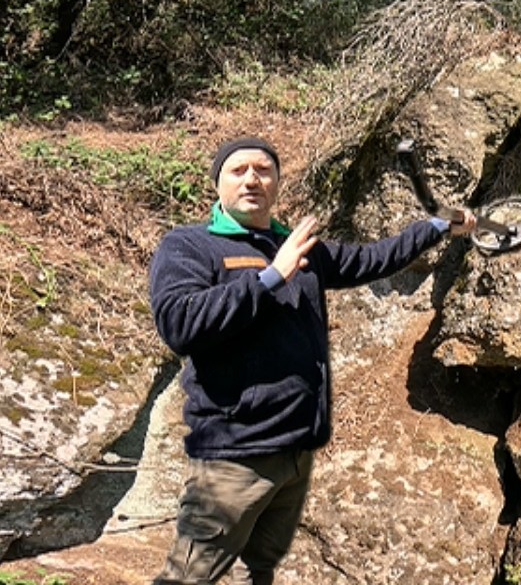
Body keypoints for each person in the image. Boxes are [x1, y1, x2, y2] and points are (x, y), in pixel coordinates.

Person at [149, 136, 476, 584]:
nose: (252, 179)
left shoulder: (296, 246)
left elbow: (369, 260)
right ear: (218, 183)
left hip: (295, 452)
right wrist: (269, 277)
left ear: (278, 182)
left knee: (259, 571)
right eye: (239, 170)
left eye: (263, 170)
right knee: (189, 578)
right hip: (234, 454)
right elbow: (180, 326)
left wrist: (435, 228)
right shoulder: (190, 246)